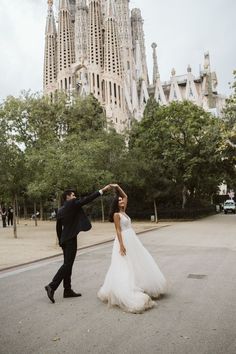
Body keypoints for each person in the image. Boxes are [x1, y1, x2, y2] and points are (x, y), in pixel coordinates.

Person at [98, 184, 167, 313]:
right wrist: (122, 245)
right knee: (124, 265)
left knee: (136, 262)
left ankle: (138, 283)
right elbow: (118, 230)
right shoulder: (117, 215)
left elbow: (125, 195)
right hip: (123, 240)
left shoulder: (124, 211)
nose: (122, 201)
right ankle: (124, 289)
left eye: (122, 200)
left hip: (132, 239)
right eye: (119, 201)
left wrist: (117, 187)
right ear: (116, 204)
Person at [45, 185, 111, 304]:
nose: (75, 197)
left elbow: (58, 227)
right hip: (70, 239)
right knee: (67, 264)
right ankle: (52, 286)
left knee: (67, 264)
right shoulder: (72, 203)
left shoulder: (61, 209)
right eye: (73, 195)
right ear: (68, 197)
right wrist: (102, 191)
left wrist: (60, 241)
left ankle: (67, 290)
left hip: (65, 239)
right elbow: (87, 199)